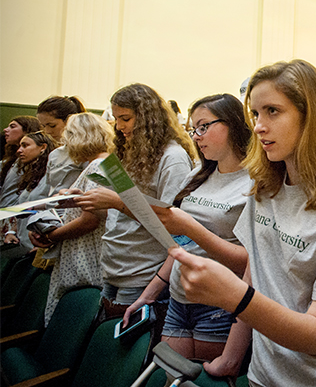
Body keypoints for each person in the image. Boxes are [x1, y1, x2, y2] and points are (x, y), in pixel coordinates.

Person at [169, 59, 316, 387]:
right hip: (265, 384)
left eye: (273, 112)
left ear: (309, 117)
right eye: (255, 114)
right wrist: (231, 358)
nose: (258, 127)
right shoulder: (265, 187)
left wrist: (232, 297)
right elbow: (257, 269)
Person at [122, 94, 252, 362]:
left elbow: (248, 264)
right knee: (169, 378)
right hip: (179, 299)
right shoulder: (198, 175)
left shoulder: (255, 184)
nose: (196, 136)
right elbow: (181, 247)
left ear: (233, 124)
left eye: (204, 127)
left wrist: (191, 228)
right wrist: (148, 296)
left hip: (219, 303)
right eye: (194, 129)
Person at [75, 83, 195, 317]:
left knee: (126, 344)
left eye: (125, 119)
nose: (118, 127)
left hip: (144, 271)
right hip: (115, 265)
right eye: (116, 119)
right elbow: (121, 213)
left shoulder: (173, 158)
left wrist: (115, 201)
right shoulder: (132, 152)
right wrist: (86, 200)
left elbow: (171, 221)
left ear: (148, 118)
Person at [28, 113, 114, 324]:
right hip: (92, 250)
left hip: (85, 253)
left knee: (73, 315)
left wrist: (52, 235)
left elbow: (90, 219)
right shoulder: (107, 164)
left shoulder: (98, 166)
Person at [3, 132, 56, 253]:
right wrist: (13, 231)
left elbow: (55, 209)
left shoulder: (51, 176)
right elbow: (27, 208)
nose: (19, 150)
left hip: (40, 247)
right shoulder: (32, 173)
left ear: (42, 147)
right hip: (25, 244)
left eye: (25, 146)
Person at [36, 96, 88, 195]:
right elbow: (46, 191)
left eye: (52, 126)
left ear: (69, 121)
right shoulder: (55, 154)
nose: (47, 131)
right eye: (43, 126)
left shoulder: (88, 153)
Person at [1, 116, 41, 205]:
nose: (5, 130)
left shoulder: (35, 160)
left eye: (12, 126)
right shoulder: (12, 160)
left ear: (27, 130)